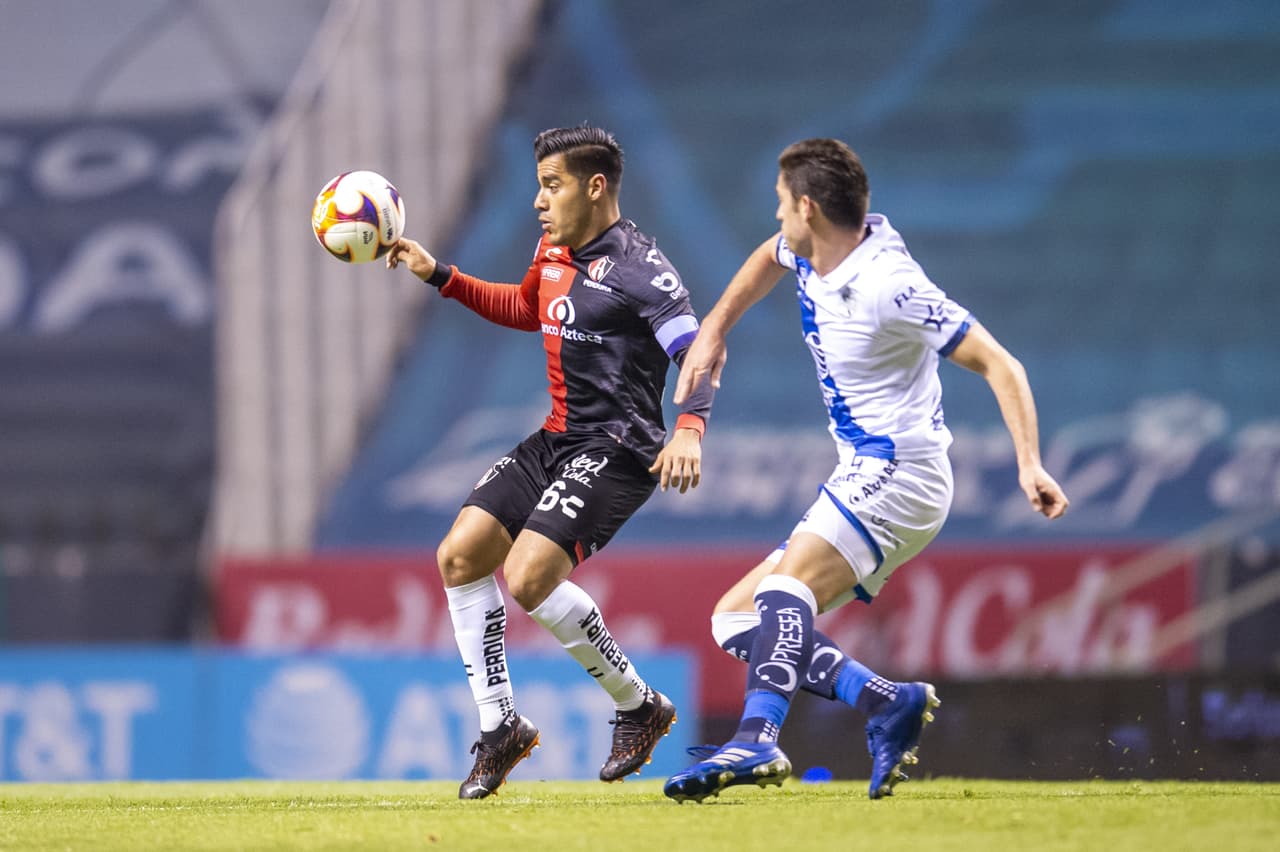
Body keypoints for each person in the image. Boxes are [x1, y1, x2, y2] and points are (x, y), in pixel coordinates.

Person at [662, 138, 1069, 803]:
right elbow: (768, 257)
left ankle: (756, 738)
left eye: (781, 203)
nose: (777, 217)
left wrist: (1030, 464)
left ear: (808, 207)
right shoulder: (814, 249)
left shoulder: (890, 285)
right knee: (735, 620)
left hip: (902, 472)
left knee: (785, 590)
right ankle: (886, 701)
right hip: (864, 468)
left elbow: (1002, 364)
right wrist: (714, 328)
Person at [386, 125, 712, 799]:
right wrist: (439, 274)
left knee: (529, 576)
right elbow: (527, 307)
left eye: (552, 185)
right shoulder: (553, 247)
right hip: (558, 437)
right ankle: (500, 726)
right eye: (538, 185)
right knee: (460, 556)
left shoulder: (642, 271)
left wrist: (689, 430)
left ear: (595, 187)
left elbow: (700, 351)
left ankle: (639, 706)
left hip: (618, 448)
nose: (539, 200)